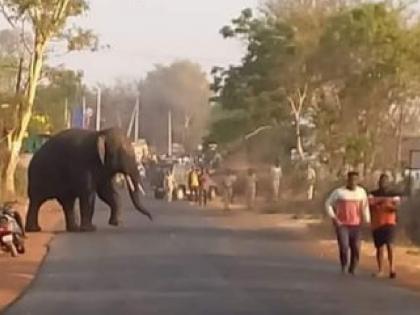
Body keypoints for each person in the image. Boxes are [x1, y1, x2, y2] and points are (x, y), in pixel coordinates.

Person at [325, 171, 370, 275]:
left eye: (355, 180)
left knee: (356, 247)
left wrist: (367, 220)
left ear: (358, 181)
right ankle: (344, 264)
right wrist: (334, 218)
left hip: (356, 224)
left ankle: (353, 267)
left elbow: (365, 207)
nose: (353, 182)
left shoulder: (361, 192)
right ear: (348, 180)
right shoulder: (339, 192)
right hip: (342, 224)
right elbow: (328, 204)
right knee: (344, 246)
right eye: (351, 180)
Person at [369, 174, 401, 279]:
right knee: (379, 247)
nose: (383, 183)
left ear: (388, 182)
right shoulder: (373, 194)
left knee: (390, 245)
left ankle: (392, 269)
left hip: (389, 222)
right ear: (379, 182)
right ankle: (380, 270)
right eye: (382, 181)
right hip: (377, 223)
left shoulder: (394, 194)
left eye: (385, 181)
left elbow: (397, 207)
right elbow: (370, 205)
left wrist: (385, 205)